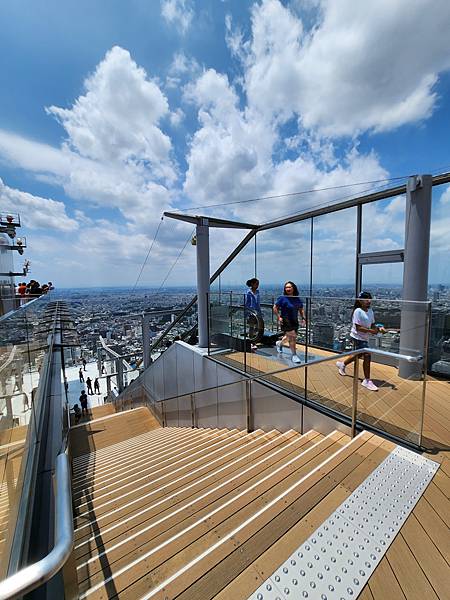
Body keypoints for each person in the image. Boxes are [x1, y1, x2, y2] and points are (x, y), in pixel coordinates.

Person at [336, 291, 385, 391]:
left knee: (357, 355)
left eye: (369, 299)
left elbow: (372, 324)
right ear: (360, 300)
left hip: (364, 337)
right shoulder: (357, 311)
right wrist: (372, 331)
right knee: (367, 355)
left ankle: (343, 364)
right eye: (366, 299)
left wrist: (379, 329)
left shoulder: (370, 311)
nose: (368, 301)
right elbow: (358, 328)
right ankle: (367, 380)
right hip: (357, 337)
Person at [273, 281, 306, 364]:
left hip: (294, 320)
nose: (287, 289)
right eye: (286, 287)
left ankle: (279, 343)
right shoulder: (282, 298)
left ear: (293, 288)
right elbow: (275, 307)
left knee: (288, 337)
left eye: (289, 287)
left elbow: (301, 308)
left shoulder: (296, 298)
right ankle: (294, 355)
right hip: (285, 320)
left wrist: (303, 318)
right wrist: (279, 317)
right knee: (293, 337)